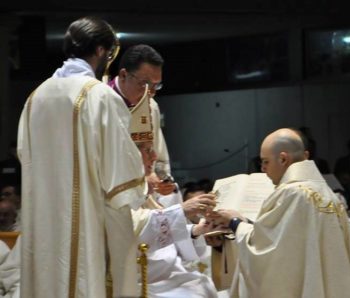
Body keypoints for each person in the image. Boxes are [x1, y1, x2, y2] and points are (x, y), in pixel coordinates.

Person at [17, 17, 147, 298]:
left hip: (42, 220)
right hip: (89, 222)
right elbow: (121, 179)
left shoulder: (34, 98)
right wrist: (141, 168)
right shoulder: (99, 97)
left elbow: (24, 156)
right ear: (101, 51)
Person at [209, 128, 350, 298]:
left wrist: (234, 222)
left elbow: (265, 250)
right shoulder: (327, 192)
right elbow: (287, 239)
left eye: (266, 161)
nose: (263, 168)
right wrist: (246, 222)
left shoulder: (292, 193)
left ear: (283, 159)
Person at [127, 89, 218, 297]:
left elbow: (168, 238)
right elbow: (137, 231)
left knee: (204, 285)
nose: (154, 155)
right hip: (141, 282)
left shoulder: (145, 192)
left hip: (167, 275)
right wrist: (182, 211)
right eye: (147, 149)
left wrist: (196, 230)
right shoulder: (119, 194)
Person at [108, 44, 174, 196]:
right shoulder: (103, 105)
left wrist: (162, 179)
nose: (150, 92)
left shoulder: (152, 106)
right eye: (144, 84)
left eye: (156, 85)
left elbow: (158, 155)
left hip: (143, 199)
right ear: (124, 75)